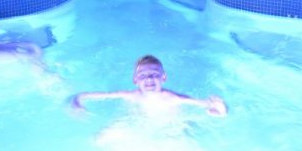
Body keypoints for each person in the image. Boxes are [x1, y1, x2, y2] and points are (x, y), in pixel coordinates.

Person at [70, 55, 227, 117]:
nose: (149, 79)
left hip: (169, 126)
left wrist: (217, 107)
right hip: (138, 121)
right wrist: (77, 101)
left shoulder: (172, 98)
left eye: (154, 74)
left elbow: (205, 105)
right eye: (143, 75)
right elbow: (98, 96)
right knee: (100, 138)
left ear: (163, 78)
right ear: (135, 80)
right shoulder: (131, 95)